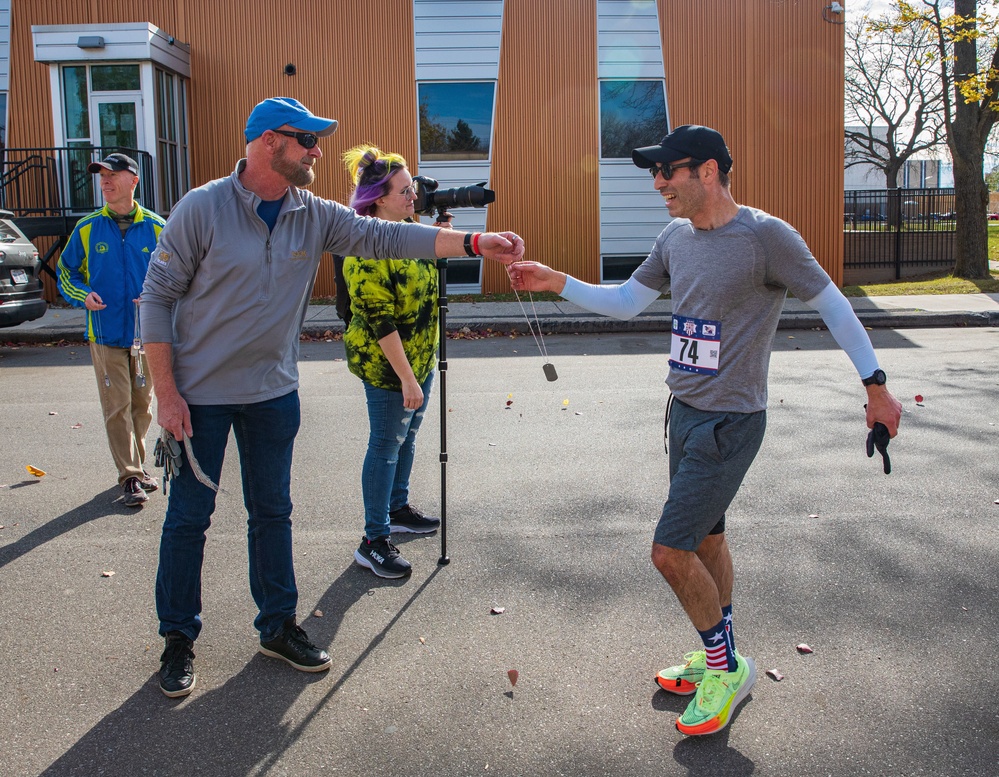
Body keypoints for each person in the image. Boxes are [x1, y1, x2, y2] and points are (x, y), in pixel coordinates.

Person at [507, 125, 902, 737]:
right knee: (709, 540)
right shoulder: (674, 238)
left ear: (710, 171)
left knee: (670, 552)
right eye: (654, 173)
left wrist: (875, 385)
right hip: (684, 410)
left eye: (669, 170)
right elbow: (625, 303)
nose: (658, 182)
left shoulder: (766, 238)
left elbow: (833, 305)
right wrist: (555, 281)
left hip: (732, 421)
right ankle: (724, 654)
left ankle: (725, 670)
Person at [140, 97, 524, 698]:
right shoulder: (202, 209)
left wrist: (474, 243)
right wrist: (166, 392)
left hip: (272, 394)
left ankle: (277, 626)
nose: (319, 151)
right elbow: (157, 299)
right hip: (200, 397)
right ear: (269, 142)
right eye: (308, 140)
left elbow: (386, 237)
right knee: (189, 520)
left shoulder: (311, 212)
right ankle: (178, 640)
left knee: (272, 513)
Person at [339, 145, 449, 579]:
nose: (413, 197)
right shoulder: (364, 246)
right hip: (389, 367)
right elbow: (380, 322)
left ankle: (397, 507)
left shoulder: (411, 232)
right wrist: (407, 378)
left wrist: (442, 239)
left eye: (413, 189)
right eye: (404, 191)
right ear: (379, 198)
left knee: (407, 439)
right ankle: (373, 539)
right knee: (386, 446)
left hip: (420, 357)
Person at [57, 153, 166, 507]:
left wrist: (156, 301)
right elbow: (65, 272)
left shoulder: (157, 227)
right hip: (104, 333)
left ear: (133, 181)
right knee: (116, 405)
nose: (104, 182)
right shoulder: (88, 228)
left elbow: (178, 275)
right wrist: (82, 295)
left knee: (142, 404)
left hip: (146, 333)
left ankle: (137, 466)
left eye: (112, 175)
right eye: (101, 176)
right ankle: (130, 475)